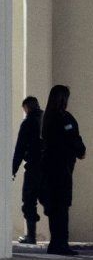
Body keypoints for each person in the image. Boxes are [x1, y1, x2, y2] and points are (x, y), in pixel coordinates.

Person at [39, 85, 86, 256]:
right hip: (62, 168)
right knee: (62, 206)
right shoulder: (64, 118)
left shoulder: (47, 118)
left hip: (49, 168)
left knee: (54, 207)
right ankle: (61, 243)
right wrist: (81, 151)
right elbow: (74, 139)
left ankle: (55, 243)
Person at [12, 97, 44, 244]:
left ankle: (31, 236)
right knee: (51, 201)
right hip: (49, 168)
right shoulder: (47, 119)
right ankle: (58, 237)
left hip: (33, 167)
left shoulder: (28, 123)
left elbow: (20, 149)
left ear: (26, 108)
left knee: (29, 201)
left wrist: (13, 169)